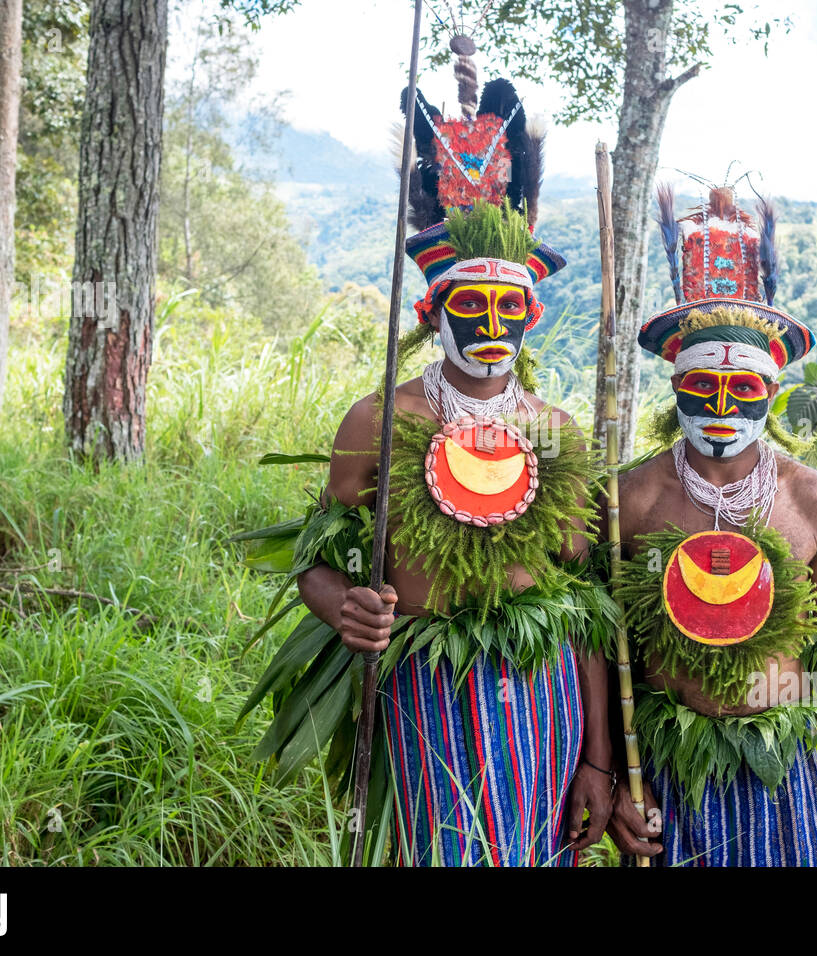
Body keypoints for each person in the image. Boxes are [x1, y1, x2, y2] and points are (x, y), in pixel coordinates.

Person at [239, 77, 615, 866]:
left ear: (531, 314)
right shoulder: (383, 420)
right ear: (432, 311)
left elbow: (581, 605)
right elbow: (316, 560)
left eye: (509, 309)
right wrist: (346, 605)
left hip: (542, 696)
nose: (491, 326)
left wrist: (598, 758)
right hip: (423, 690)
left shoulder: (553, 431)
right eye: (469, 307)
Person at [605, 179, 817, 867]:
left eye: (745, 389)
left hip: (781, 773)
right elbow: (600, 651)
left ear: (772, 391)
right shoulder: (630, 500)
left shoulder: (816, 506)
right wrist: (614, 778)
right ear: (675, 384)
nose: (722, 404)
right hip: (665, 781)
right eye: (702, 385)